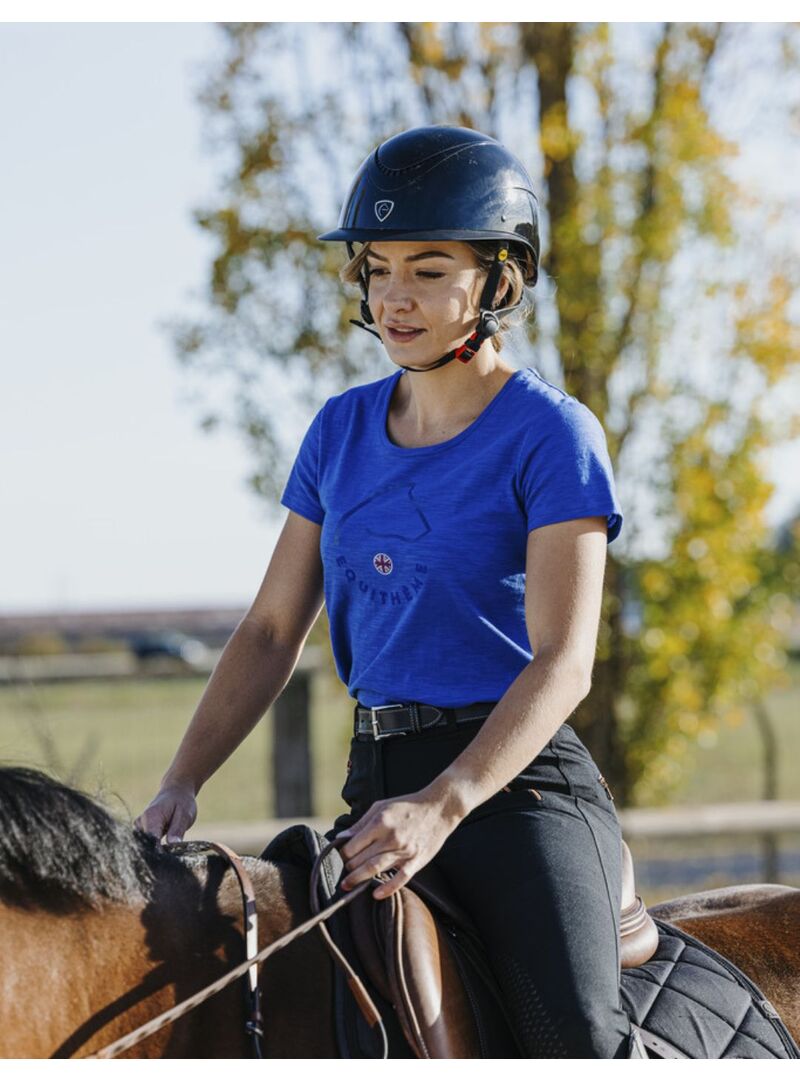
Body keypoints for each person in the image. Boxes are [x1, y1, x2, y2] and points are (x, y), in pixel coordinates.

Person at [136, 125, 641, 1058]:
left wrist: (446, 803)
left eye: (430, 269)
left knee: (576, 1041)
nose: (394, 296)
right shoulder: (338, 431)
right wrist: (180, 783)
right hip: (374, 786)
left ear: (498, 281)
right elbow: (269, 631)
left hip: (514, 790)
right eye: (378, 269)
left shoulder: (554, 434)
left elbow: (565, 663)